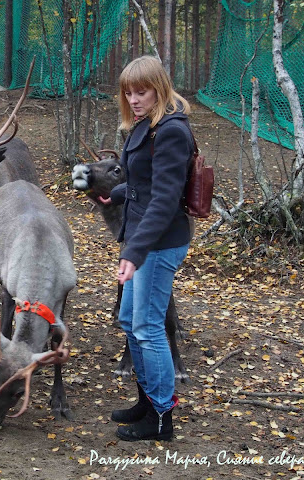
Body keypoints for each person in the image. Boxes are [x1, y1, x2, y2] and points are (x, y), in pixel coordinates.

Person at [108, 55, 194, 441]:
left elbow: (165, 198)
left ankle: (161, 417)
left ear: (158, 88)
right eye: (129, 91)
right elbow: (148, 180)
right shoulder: (149, 125)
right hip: (146, 238)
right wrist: (118, 193)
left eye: (141, 91)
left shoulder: (172, 131)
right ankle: (146, 400)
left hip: (159, 243)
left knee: (147, 326)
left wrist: (132, 252)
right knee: (131, 321)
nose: (134, 98)